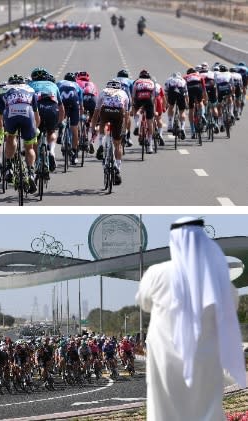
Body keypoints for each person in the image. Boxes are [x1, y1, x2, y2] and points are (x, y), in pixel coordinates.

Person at [136, 217, 246, 421]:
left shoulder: (156, 274)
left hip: (165, 359)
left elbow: (145, 303)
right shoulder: (219, 279)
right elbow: (231, 307)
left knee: (165, 411)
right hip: (205, 358)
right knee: (206, 409)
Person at [91, 79, 129, 185]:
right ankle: (117, 167)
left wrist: (93, 128)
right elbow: (126, 116)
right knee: (118, 144)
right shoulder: (123, 93)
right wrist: (125, 130)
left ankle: (101, 144)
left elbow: (96, 113)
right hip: (118, 112)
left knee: (102, 121)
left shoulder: (103, 91)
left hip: (105, 111)